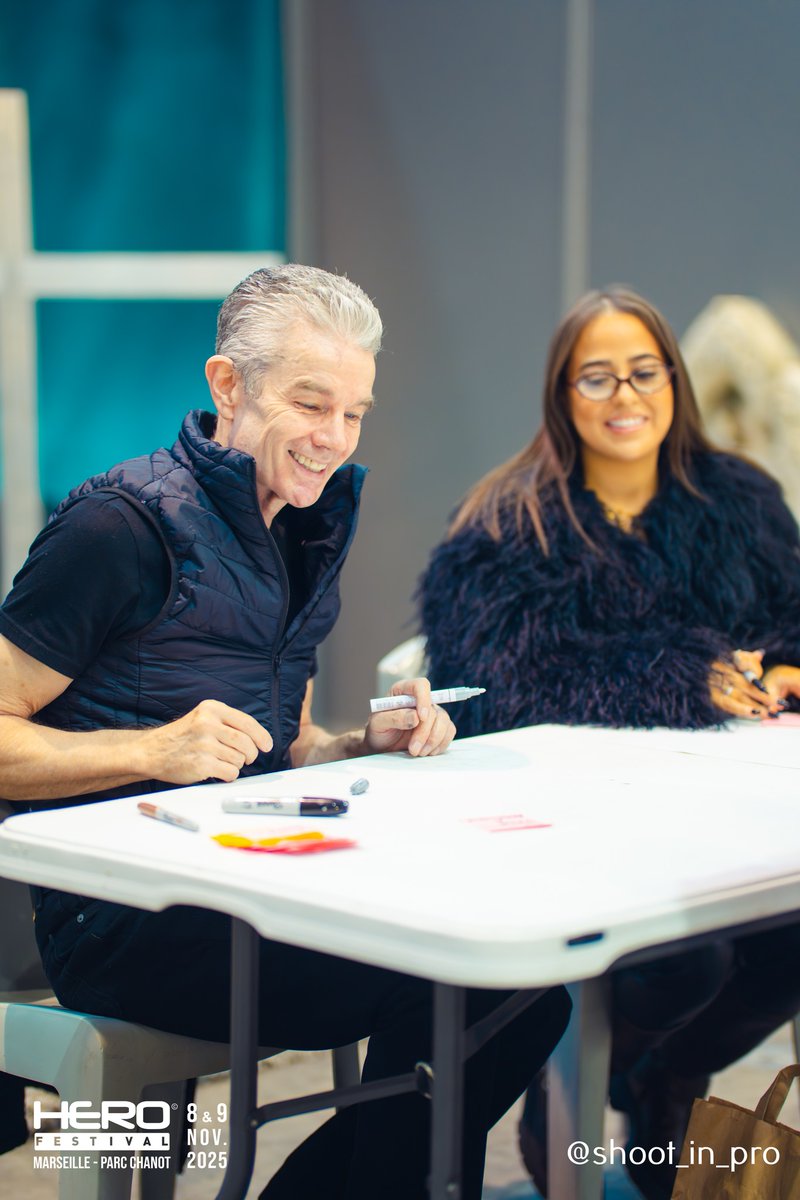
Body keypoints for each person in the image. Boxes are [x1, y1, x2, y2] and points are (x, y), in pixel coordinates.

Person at [0, 265, 570, 1199]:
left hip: (251, 881)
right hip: (122, 920)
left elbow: (286, 741)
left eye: (354, 413)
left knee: (518, 984)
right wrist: (150, 751)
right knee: (467, 984)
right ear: (229, 386)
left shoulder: (301, 526)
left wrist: (360, 745)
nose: (333, 439)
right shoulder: (117, 525)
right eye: (311, 404)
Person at [418, 285, 800, 1200]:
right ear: (562, 393)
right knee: (685, 957)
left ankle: (665, 1076)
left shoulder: (739, 500)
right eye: (596, 377)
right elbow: (495, 685)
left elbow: (791, 616)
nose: (624, 396)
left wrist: (786, 665)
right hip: (580, 829)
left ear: (674, 380)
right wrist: (678, 675)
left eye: (643, 372)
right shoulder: (507, 524)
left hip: (730, 813)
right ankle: (573, 1084)